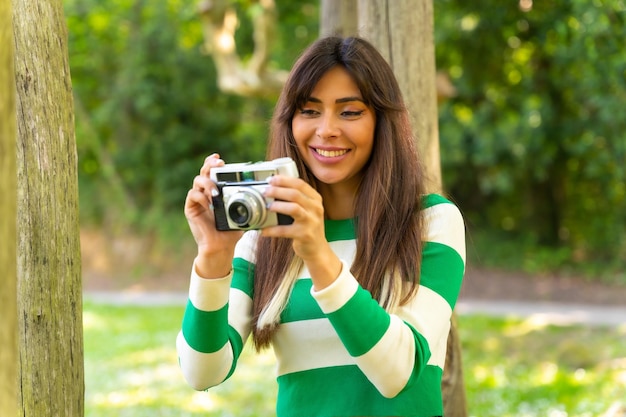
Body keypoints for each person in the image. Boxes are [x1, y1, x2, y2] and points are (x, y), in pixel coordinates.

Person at [177, 36, 465, 417]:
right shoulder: (265, 239)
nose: (327, 129)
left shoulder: (430, 221)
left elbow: (398, 371)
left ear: (382, 122)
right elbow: (202, 372)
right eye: (310, 111)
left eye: (349, 112)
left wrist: (318, 253)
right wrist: (213, 257)